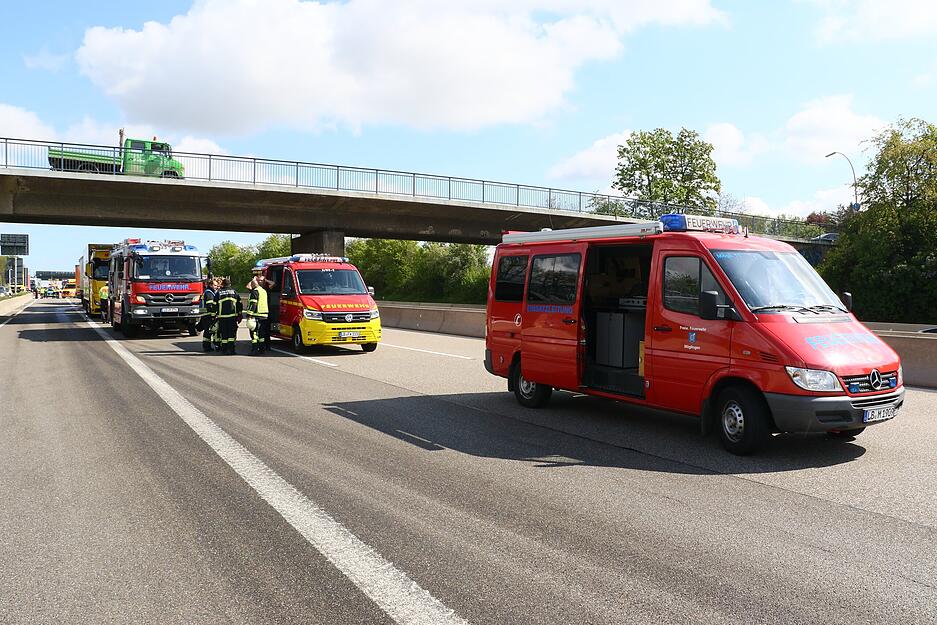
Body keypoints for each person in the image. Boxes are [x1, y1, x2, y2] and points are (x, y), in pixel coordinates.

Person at [215, 277, 242, 355]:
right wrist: (239, 314)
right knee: (231, 334)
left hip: (222, 317)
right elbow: (239, 304)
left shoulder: (219, 293)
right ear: (230, 284)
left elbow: (214, 304)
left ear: (223, 284)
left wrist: (214, 315)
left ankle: (224, 350)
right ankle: (231, 350)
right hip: (232, 317)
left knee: (224, 334)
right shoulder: (234, 292)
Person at [245, 276, 269, 354]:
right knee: (261, 334)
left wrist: (249, 315)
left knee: (254, 334)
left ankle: (254, 350)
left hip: (256, 315)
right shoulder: (263, 291)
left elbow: (253, 304)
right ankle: (262, 349)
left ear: (253, 285)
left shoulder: (255, 292)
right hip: (264, 315)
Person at [201, 277, 218, 351]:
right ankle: (207, 347)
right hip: (208, 315)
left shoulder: (207, 291)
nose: (216, 287)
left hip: (205, 314)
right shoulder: (209, 293)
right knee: (209, 331)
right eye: (215, 285)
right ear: (211, 285)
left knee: (208, 331)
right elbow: (210, 305)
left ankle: (207, 346)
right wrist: (214, 314)